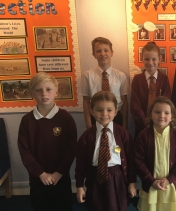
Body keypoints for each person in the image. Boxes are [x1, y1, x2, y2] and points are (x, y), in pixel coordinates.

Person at [18, 72, 77, 211]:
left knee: (63, 206)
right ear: (32, 93)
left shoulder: (65, 118)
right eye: (38, 90)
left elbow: (71, 148)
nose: (44, 93)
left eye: (48, 89)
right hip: (38, 179)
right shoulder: (27, 121)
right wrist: (41, 173)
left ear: (56, 91)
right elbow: (24, 150)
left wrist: (59, 172)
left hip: (61, 178)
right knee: (40, 206)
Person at [75, 91, 137, 211]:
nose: (104, 114)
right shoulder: (87, 136)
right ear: (92, 111)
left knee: (117, 207)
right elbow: (80, 163)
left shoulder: (123, 134)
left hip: (117, 178)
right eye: (99, 110)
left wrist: (132, 182)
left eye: (109, 110)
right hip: (94, 177)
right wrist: (79, 186)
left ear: (116, 112)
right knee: (96, 206)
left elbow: (131, 160)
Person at [135, 96, 176, 211]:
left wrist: (170, 179)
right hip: (151, 186)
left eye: (166, 112)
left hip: (171, 186)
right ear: (150, 115)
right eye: (157, 112)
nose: (161, 116)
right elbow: (139, 161)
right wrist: (152, 181)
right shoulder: (143, 136)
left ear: (172, 116)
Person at [81, 37, 129, 129]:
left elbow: (125, 102)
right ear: (94, 54)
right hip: (96, 116)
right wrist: (88, 124)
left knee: (116, 143)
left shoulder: (121, 76)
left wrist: (125, 124)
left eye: (106, 50)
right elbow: (86, 101)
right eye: (98, 51)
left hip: (116, 116)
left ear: (112, 52)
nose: (102, 54)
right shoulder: (87, 76)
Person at [130, 41, 171, 138]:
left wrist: (156, 121)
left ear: (159, 59)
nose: (150, 62)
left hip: (160, 125)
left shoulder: (164, 79)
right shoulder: (137, 79)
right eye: (147, 59)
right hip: (141, 126)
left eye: (154, 59)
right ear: (142, 59)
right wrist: (146, 122)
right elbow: (135, 105)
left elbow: (166, 102)